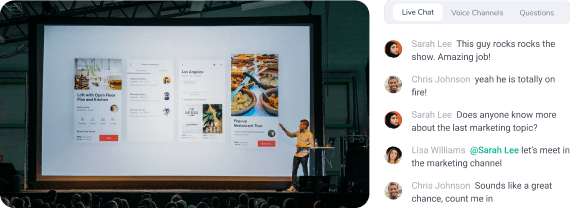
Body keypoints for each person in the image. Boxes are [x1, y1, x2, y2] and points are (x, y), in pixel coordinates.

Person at [279, 119, 315, 192]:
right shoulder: (299, 132)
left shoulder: (309, 134)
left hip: (304, 154)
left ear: (305, 126)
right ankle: (293, 186)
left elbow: (312, 145)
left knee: (305, 171)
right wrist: (283, 129)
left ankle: (305, 186)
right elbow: (291, 135)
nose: (299, 125)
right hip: (297, 154)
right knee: (294, 170)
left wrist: (301, 145)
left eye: (301, 124)